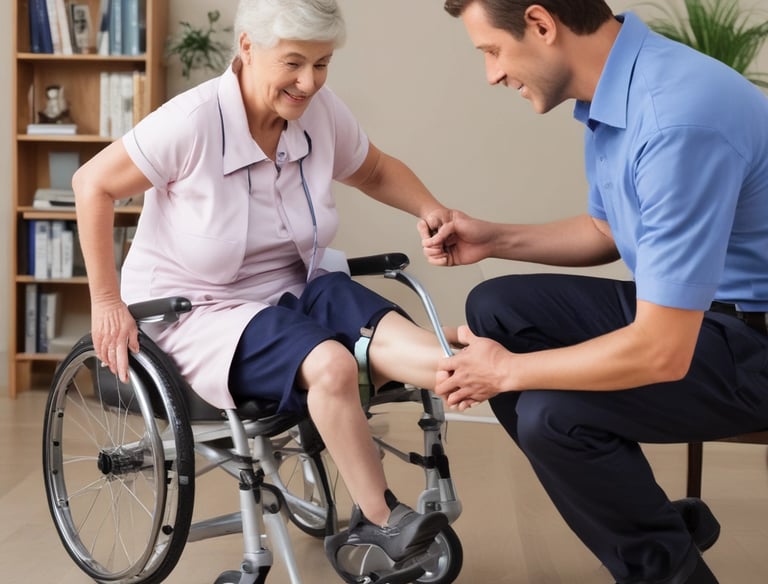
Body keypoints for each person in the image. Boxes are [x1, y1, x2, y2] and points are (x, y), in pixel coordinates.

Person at [73, 0, 450, 567]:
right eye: (294, 63)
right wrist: (106, 300)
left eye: (322, 65)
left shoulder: (319, 113)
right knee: (333, 365)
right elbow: (92, 184)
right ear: (247, 47)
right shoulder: (194, 121)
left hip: (294, 286)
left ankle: (469, 367)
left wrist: (431, 209)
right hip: (198, 309)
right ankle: (379, 519)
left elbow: (372, 170)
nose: (309, 83)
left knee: (379, 326)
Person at [421, 1, 768, 583]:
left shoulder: (674, 119)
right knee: (496, 308)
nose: (492, 74)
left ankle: (662, 565)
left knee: (552, 416)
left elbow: (662, 351)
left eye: (492, 51)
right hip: (706, 317)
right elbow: (608, 230)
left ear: (541, 24)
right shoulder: (624, 87)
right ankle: (653, 530)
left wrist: (506, 373)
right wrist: (493, 238)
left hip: (752, 346)